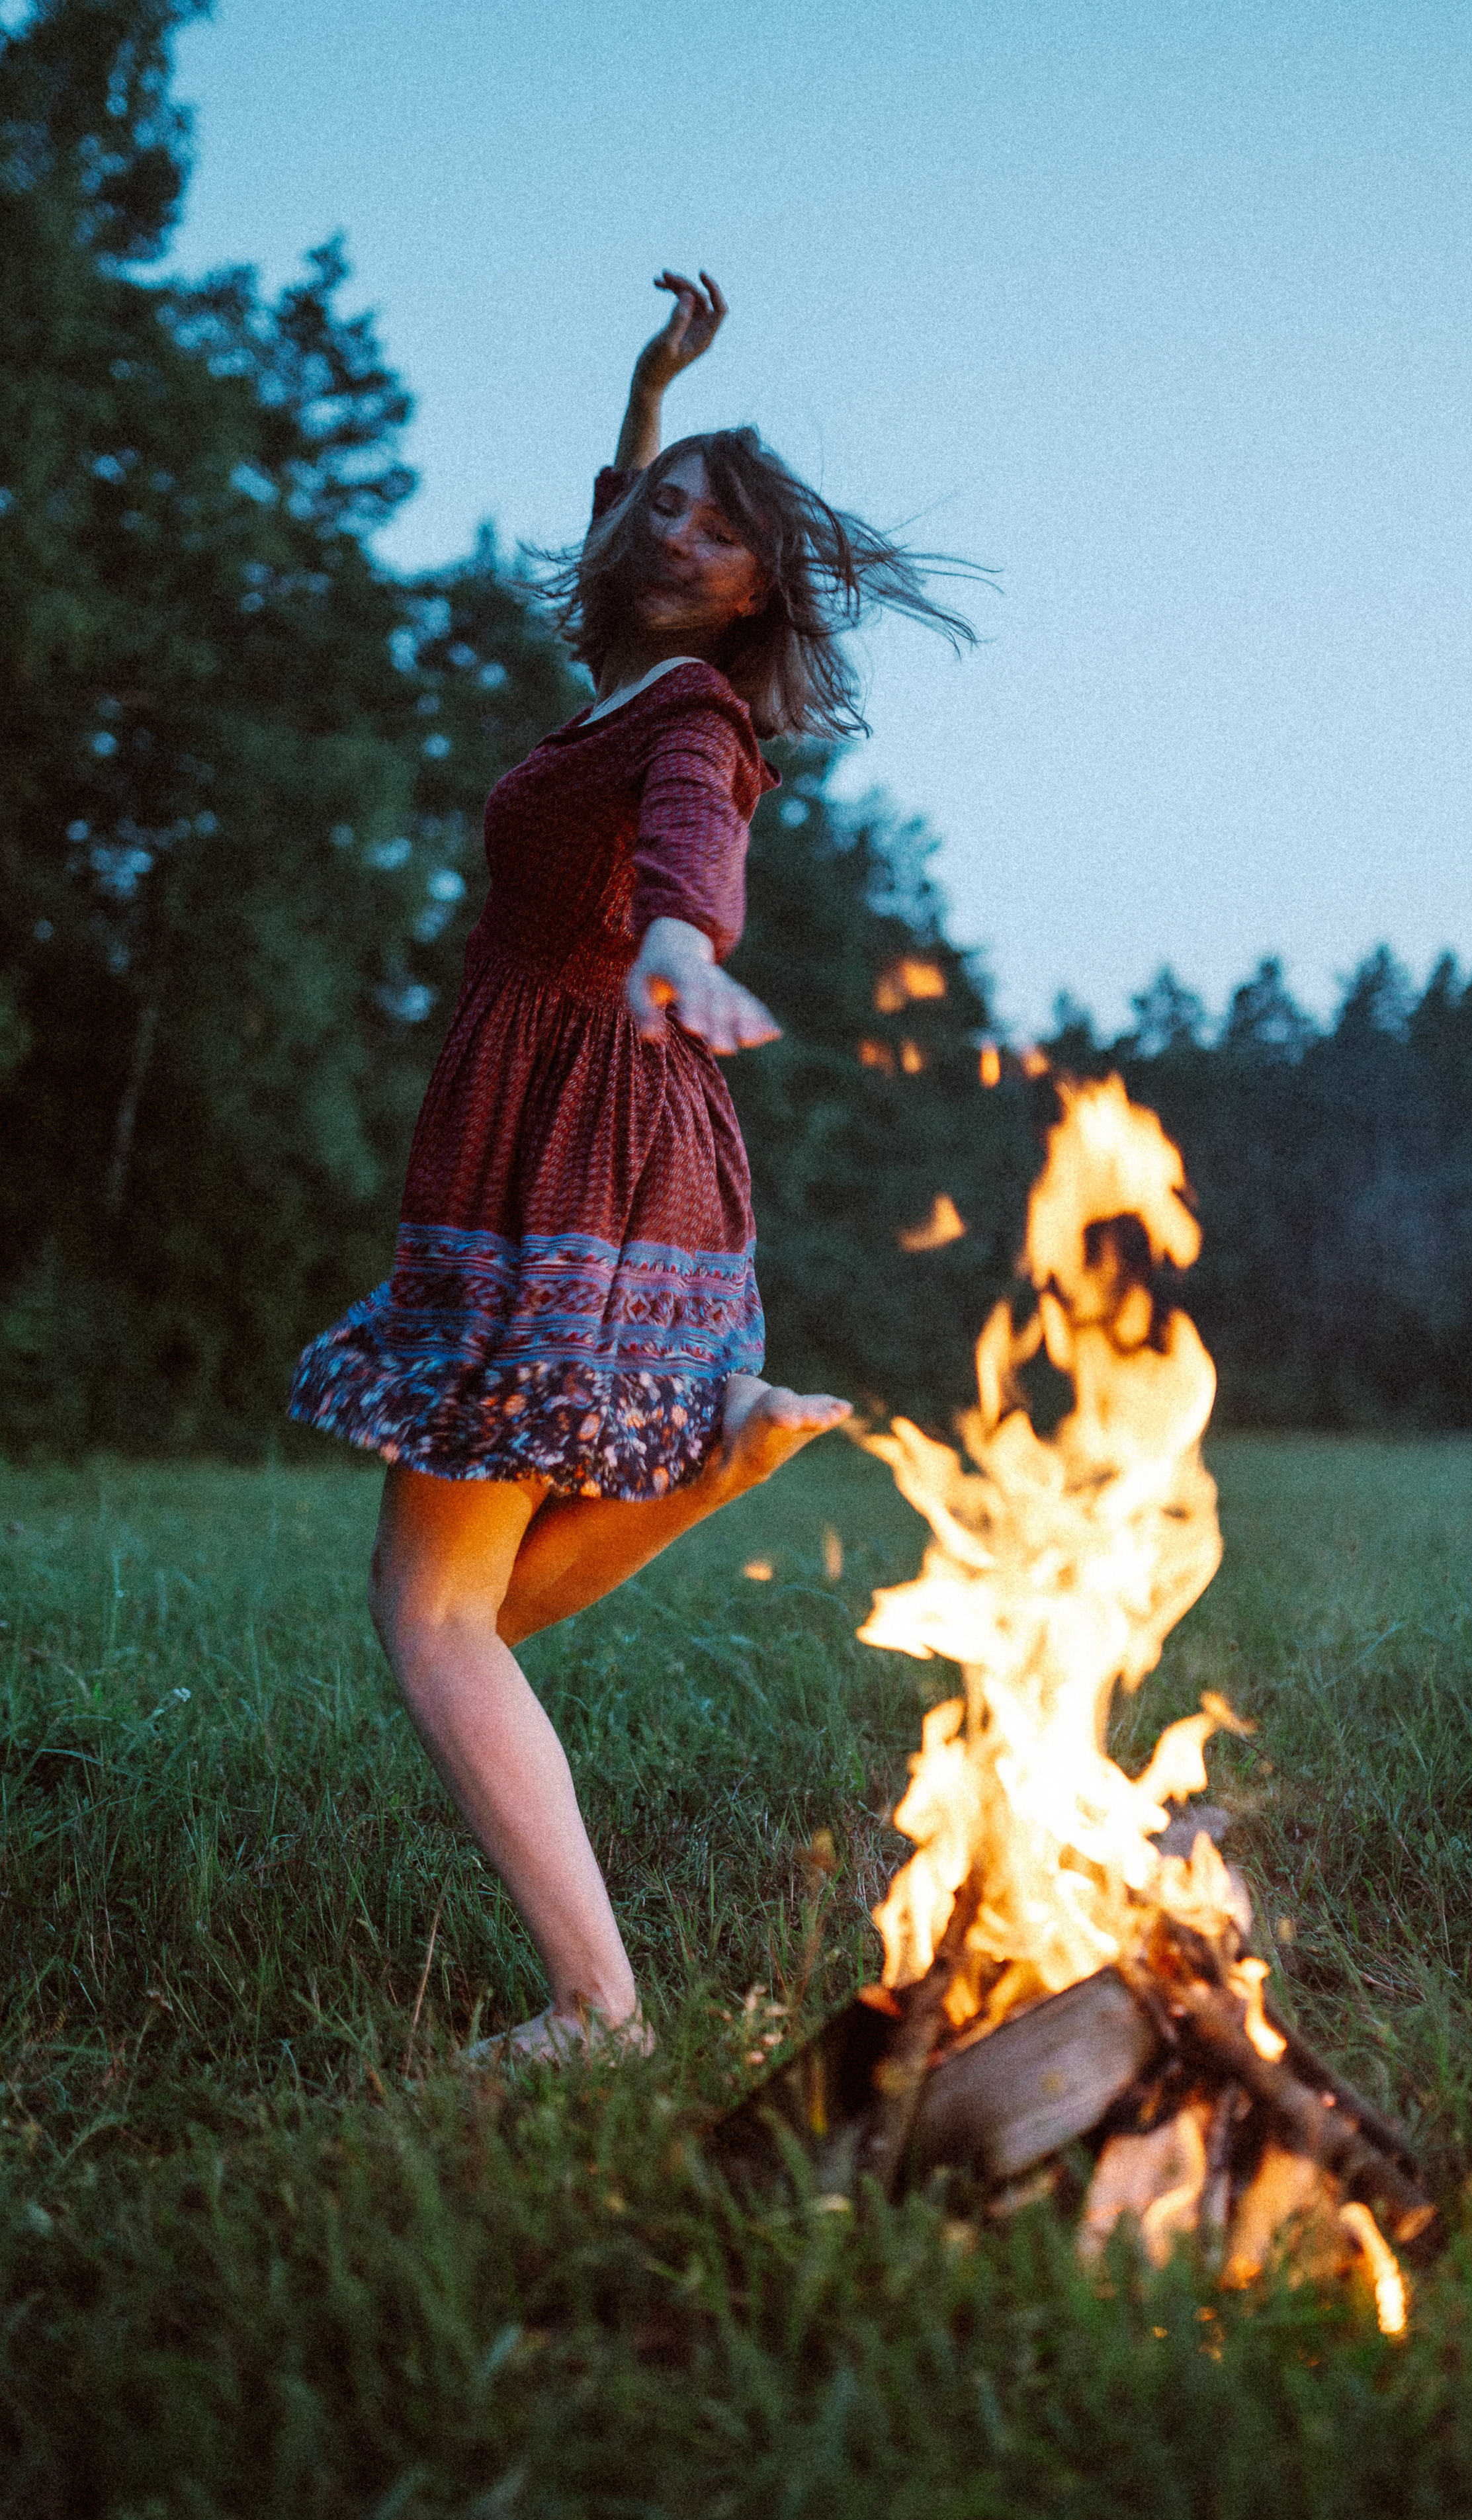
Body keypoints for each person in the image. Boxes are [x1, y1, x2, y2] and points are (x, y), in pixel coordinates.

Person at [290, 271, 978, 2061]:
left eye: (706, 518)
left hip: (579, 1152)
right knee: (459, 1610)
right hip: (579, 1141)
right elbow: (612, 539)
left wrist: (684, 946)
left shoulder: (690, 721)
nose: (666, 517)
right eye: (668, 500)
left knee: (436, 1615)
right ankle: (718, 1463)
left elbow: (695, 841)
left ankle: (599, 2007)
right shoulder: (630, 673)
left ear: (751, 587)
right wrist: (645, 390)